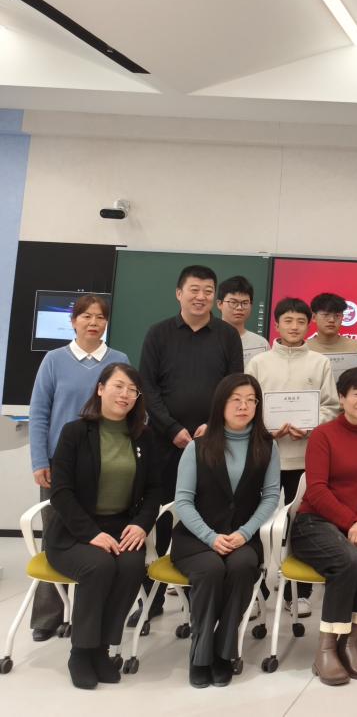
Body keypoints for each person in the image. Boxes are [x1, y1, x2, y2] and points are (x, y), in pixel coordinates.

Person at [137, 265, 244, 623]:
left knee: (207, 515)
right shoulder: (158, 334)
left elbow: (234, 386)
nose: (201, 297)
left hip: (213, 443)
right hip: (164, 444)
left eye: (208, 291)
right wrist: (172, 428)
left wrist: (212, 426)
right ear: (179, 293)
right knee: (160, 517)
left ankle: (199, 596)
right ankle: (150, 600)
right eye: (194, 290)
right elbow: (147, 387)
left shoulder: (227, 336)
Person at [45, 363, 161, 689]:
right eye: (118, 386)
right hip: (74, 531)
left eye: (132, 390)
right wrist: (92, 534)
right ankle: (81, 652)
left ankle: (102, 649)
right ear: (100, 389)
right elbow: (60, 492)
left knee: (131, 565)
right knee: (98, 566)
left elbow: (155, 489)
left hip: (121, 527)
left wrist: (141, 525)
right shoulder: (75, 432)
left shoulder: (143, 436)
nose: (125, 395)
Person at [28, 295, 128, 641]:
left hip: (105, 465)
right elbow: (39, 413)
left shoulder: (118, 361)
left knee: (95, 539)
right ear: (73, 322)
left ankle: (87, 615)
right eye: (86, 316)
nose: (93, 322)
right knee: (55, 534)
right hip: (59, 466)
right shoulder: (54, 360)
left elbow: (129, 408)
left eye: (100, 317)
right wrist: (39, 460)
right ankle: (47, 616)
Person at [290, 366, 357, 685]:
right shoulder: (323, 434)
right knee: (349, 559)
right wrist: (354, 522)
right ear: (341, 398)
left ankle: (350, 643)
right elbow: (316, 490)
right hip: (315, 523)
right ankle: (325, 648)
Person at [172, 374, 281, 687]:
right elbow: (183, 502)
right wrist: (210, 537)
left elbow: (271, 497)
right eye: (236, 400)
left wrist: (246, 532)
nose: (243, 406)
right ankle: (200, 653)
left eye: (250, 400)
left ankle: (224, 650)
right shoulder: (198, 447)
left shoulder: (266, 446)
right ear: (221, 404)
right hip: (196, 538)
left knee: (243, 566)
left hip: (241, 536)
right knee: (209, 570)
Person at [247, 297, 340, 616]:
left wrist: (311, 424)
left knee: (302, 524)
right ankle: (256, 591)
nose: (294, 327)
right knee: (258, 522)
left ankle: (298, 592)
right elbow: (247, 403)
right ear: (276, 324)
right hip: (266, 455)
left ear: (308, 324)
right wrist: (265, 429)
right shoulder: (259, 363)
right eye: (288, 320)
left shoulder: (319, 362)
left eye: (301, 321)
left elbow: (332, 406)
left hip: (305, 457)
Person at [216, 276, 270, 365]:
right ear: (219, 304)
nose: (239, 307)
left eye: (245, 303)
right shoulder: (207, 339)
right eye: (233, 302)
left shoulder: (261, 344)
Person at [308, 292, 357, 370]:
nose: (332, 320)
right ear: (313, 317)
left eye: (337, 315)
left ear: (342, 317)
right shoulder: (304, 348)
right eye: (326, 315)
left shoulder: (356, 348)